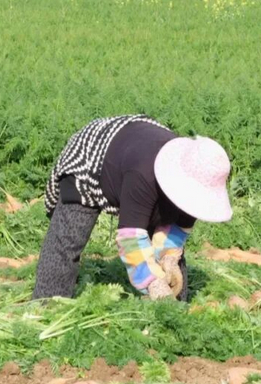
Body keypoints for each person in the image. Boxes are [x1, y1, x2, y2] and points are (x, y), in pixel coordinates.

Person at [32, 115, 233, 301]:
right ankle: (46, 305)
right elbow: (131, 238)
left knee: (169, 245)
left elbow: (177, 230)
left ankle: (175, 317)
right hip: (92, 156)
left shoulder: (197, 183)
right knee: (68, 239)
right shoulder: (143, 175)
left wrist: (169, 258)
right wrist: (153, 283)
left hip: (135, 147)